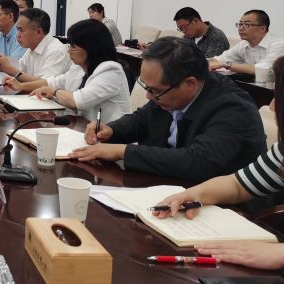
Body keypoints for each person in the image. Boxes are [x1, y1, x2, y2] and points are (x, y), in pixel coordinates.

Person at [70, 37, 266, 182]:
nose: (148, 97)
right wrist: (112, 130)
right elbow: (141, 119)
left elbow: (198, 162)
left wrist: (124, 151)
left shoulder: (233, 108)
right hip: (166, 185)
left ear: (190, 84)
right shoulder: (169, 94)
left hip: (223, 207)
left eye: (154, 91)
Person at [153, 56, 284, 270]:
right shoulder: (283, 153)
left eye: (278, 97)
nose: (271, 106)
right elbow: (238, 185)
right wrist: (193, 195)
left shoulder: (231, 105)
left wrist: (280, 252)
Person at [22, 19, 131, 122]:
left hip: (109, 133)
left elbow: (77, 101)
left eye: (73, 46)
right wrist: (20, 86)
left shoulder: (111, 71)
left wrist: (54, 91)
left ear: (91, 47)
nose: (69, 51)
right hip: (82, 127)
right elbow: (54, 82)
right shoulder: (79, 67)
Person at [1, 8, 71, 87]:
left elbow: (44, 85)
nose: (17, 35)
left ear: (38, 32)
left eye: (21, 30)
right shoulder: (31, 47)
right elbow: (20, 71)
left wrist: (9, 68)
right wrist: (10, 77)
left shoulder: (56, 50)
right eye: (17, 30)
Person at [209, 9, 284, 76]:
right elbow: (219, 59)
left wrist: (226, 64)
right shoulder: (244, 44)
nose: (241, 28)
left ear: (262, 29)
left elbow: (264, 70)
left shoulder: (279, 44)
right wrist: (203, 61)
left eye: (247, 25)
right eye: (240, 24)